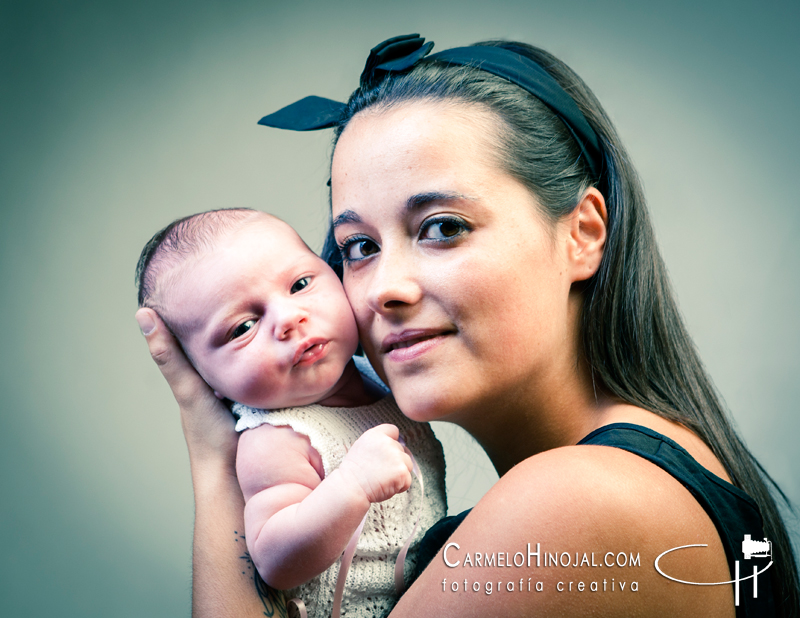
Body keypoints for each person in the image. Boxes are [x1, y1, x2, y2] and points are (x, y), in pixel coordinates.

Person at [135, 35, 800, 616]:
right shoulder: (628, 470)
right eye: (359, 247)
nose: (386, 288)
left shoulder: (577, 503)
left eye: (443, 228)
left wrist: (212, 452)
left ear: (583, 234)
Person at [134, 209, 446, 618]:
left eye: (300, 284)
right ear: (204, 378)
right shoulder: (276, 439)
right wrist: (351, 484)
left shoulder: (380, 372)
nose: (288, 319)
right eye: (243, 327)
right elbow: (276, 559)